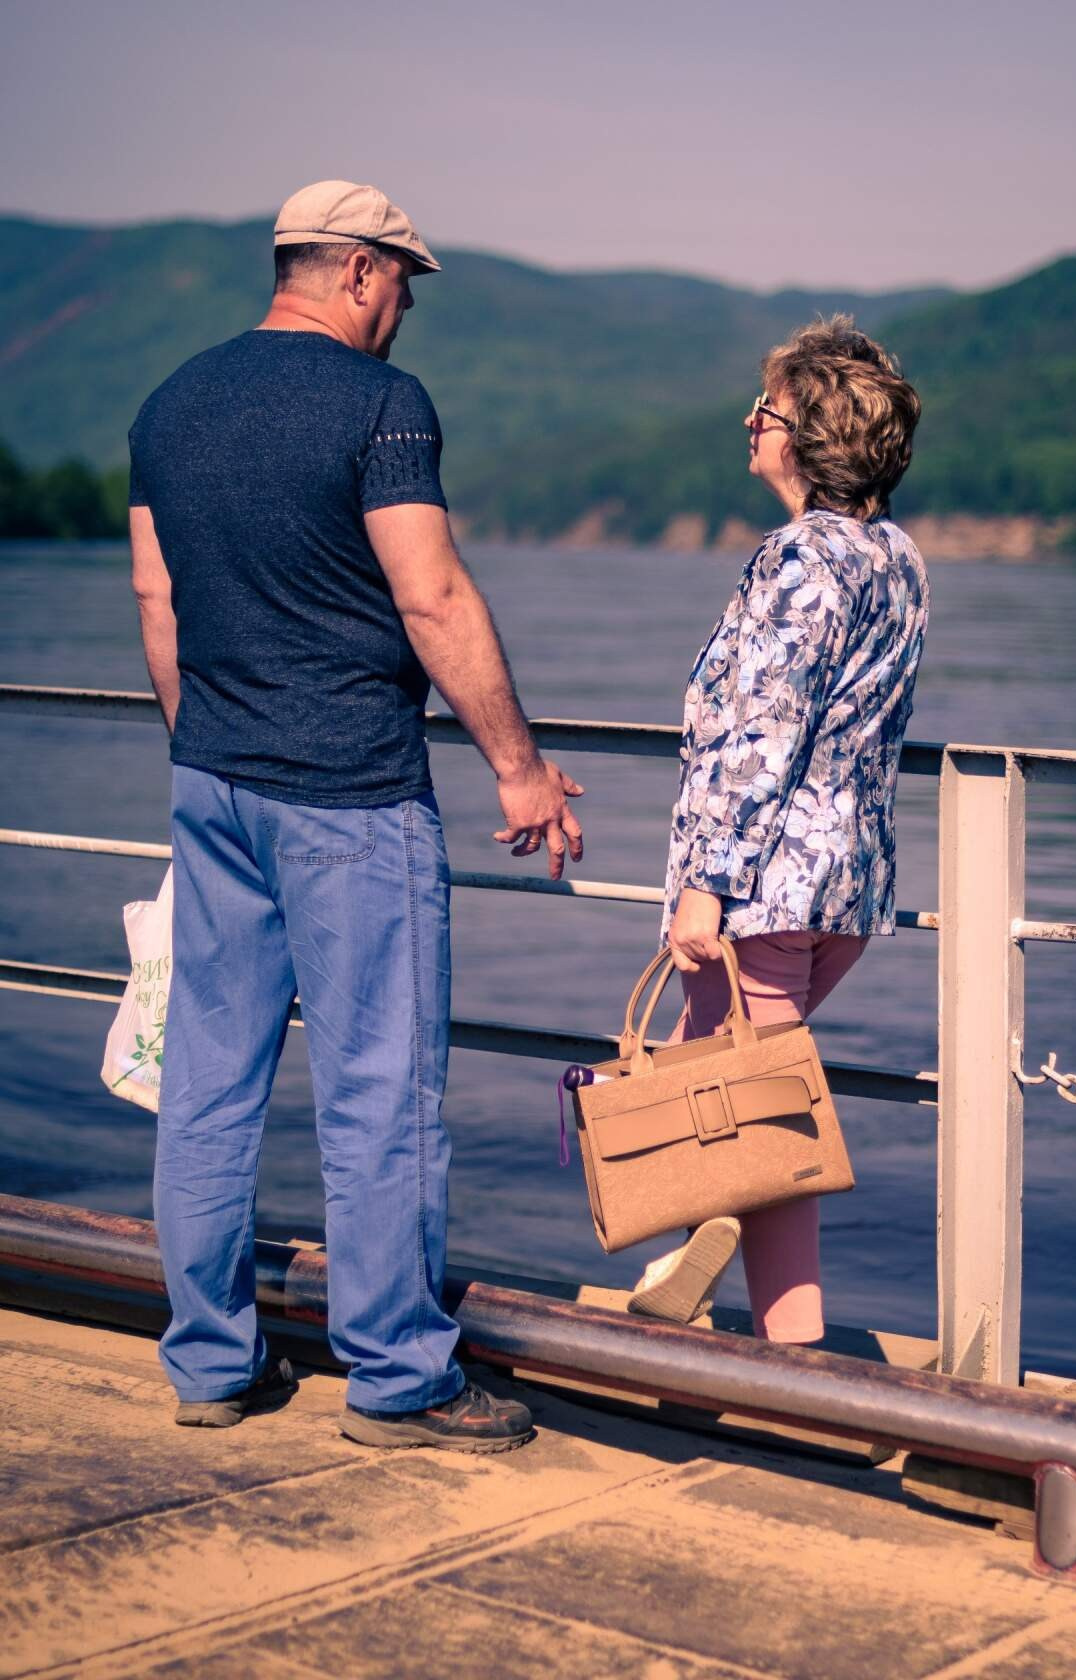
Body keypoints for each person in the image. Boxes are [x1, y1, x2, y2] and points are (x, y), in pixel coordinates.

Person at [128, 179, 584, 1452]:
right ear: (359, 272)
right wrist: (517, 767)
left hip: (213, 782)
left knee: (207, 1084)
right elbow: (431, 597)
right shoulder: (382, 403)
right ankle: (398, 1378)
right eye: (403, 290)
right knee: (379, 1093)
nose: (403, 317)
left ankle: (210, 1362)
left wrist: (210, 742)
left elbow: (158, 602)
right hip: (352, 794)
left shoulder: (170, 402)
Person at [628, 317, 928, 1338]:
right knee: (729, 1089)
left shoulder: (799, 558)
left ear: (804, 438)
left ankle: (783, 1348)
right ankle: (713, 1273)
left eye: (763, 411)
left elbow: (762, 735)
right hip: (847, 888)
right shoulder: (897, 557)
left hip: (763, 889)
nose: (748, 425)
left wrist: (704, 886)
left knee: (751, 1119)